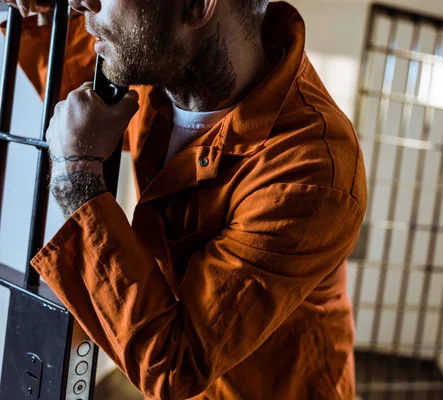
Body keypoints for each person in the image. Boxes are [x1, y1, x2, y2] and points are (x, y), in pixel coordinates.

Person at [3, 0, 367, 399]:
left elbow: (177, 366)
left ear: (197, 6)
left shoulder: (311, 171)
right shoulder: (159, 60)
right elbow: (78, 87)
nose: (79, 2)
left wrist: (78, 177)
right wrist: (37, 14)